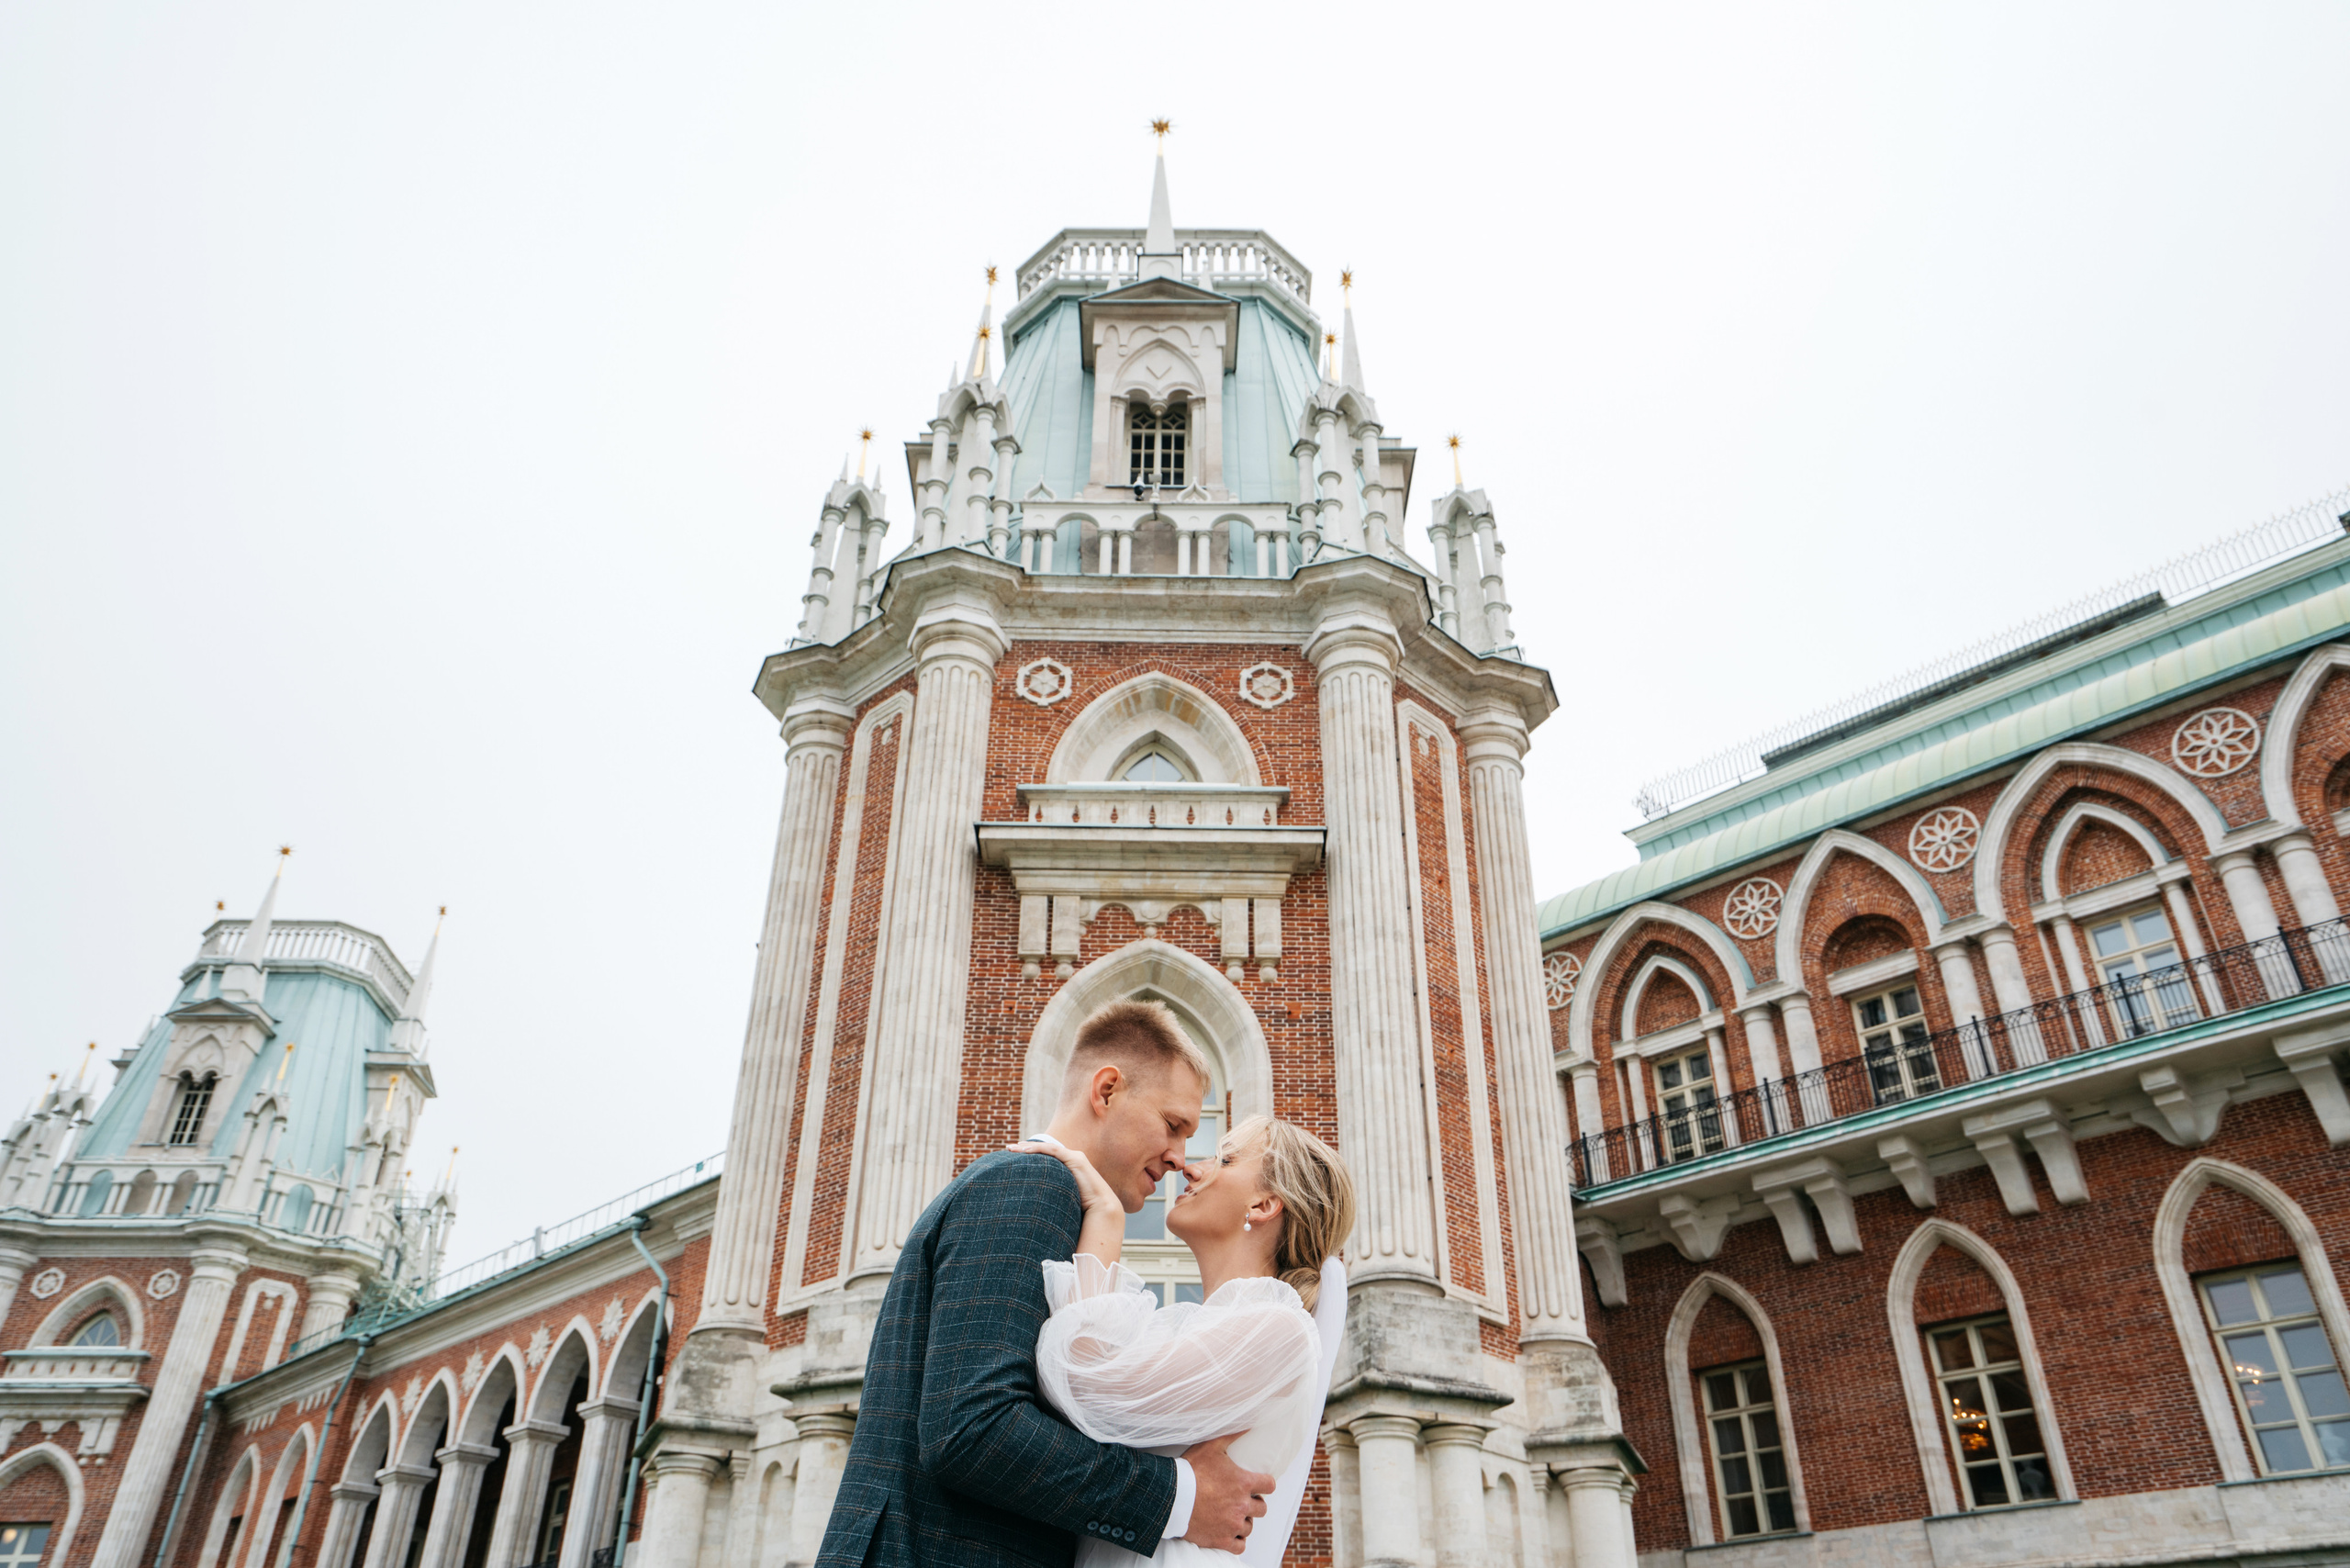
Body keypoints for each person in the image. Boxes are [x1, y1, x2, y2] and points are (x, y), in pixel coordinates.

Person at [816, 1001, 1279, 1567]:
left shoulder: (1053, 1195)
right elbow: (973, 1429)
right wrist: (1178, 1497)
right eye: (1173, 1125)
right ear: (1106, 1090)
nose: (1181, 1158)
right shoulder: (1033, 1184)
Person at [1016, 1112, 1357, 1568]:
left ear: (1262, 1206)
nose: (1192, 1169)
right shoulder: (1208, 1328)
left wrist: (1106, 1216)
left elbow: (1084, 1383)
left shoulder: (1278, 1330)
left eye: (1226, 1159)